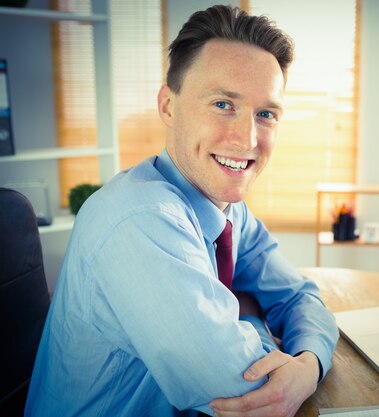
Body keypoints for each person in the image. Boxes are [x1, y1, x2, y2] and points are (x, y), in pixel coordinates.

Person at [25, 5, 338, 417]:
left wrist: (308, 365)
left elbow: (299, 295)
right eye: (224, 104)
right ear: (168, 106)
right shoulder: (139, 219)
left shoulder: (226, 208)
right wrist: (249, 313)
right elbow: (243, 390)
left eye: (266, 114)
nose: (247, 140)